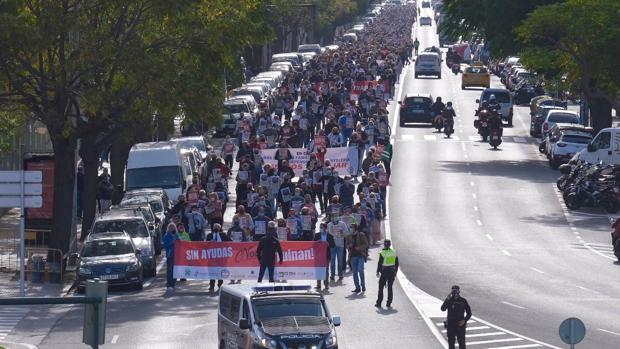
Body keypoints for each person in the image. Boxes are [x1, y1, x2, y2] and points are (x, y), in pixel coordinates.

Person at [375, 239, 398, 308]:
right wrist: (395, 272)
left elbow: (380, 263)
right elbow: (396, 263)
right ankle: (389, 303)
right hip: (392, 272)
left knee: (381, 287)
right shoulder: (394, 252)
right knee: (390, 287)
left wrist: (377, 271)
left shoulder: (383, 253)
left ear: (384, 245)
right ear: (390, 245)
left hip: (384, 272)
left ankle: (379, 302)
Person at [206, 224, 229, 291]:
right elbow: (205, 244)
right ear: (213, 228)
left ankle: (220, 285)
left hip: (221, 257)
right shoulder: (209, 235)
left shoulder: (223, 235)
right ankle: (212, 285)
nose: (216, 228)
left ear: (220, 228)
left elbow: (228, 243)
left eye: (217, 227)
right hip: (212, 257)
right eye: (214, 227)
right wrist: (209, 242)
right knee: (211, 271)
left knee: (220, 271)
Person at [347, 224, 368, 293]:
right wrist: (349, 246)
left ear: (355, 228)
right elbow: (346, 245)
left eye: (351, 228)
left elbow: (366, 244)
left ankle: (363, 285)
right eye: (350, 228)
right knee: (354, 273)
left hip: (360, 255)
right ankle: (357, 287)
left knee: (360, 270)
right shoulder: (349, 236)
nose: (350, 229)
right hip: (352, 256)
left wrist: (359, 248)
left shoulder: (361, 235)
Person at [314, 222, 335, 290]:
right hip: (318, 256)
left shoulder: (329, 236)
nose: (321, 228)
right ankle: (318, 284)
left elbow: (333, 245)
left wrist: (328, 244)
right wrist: (317, 242)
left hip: (326, 255)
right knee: (319, 270)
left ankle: (326, 284)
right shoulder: (317, 235)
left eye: (322, 227)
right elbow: (313, 244)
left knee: (326, 270)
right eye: (320, 227)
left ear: (325, 228)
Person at [161, 223, 180, 292]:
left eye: (173, 227)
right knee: (170, 271)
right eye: (170, 228)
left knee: (175, 270)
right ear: (168, 229)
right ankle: (169, 285)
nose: (172, 229)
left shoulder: (176, 235)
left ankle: (173, 284)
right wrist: (172, 242)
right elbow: (163, 245)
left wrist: (179, 240)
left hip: (177, 256)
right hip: (170, 255)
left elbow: (180, 243)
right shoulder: (166, 236)